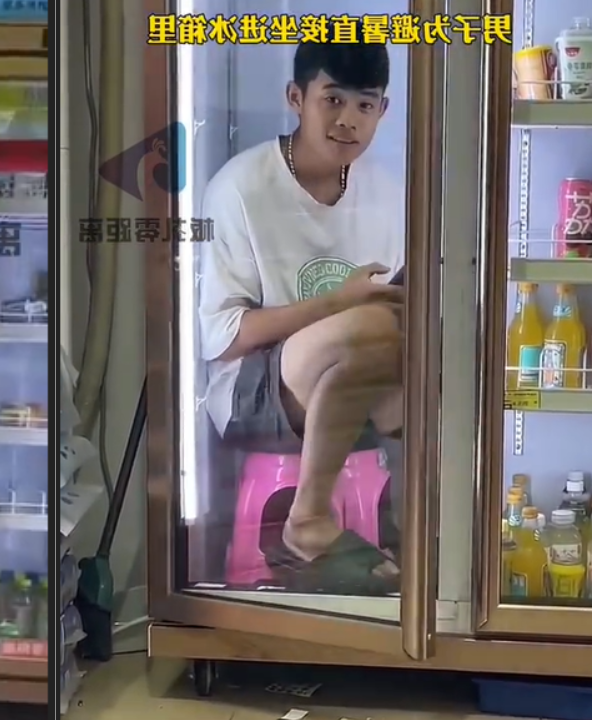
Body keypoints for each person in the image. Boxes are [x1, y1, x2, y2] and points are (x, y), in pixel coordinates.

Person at [198, 41, 406, 594]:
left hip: (357, 372)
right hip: (252, 388)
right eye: (331, 99)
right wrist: (336, 304)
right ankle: (308, 520)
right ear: (297, 97)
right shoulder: (241, 188)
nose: (347, 120)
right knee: (372, 327)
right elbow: (221, 338)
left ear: (383, 111)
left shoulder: (387, 192)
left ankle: (441, 544)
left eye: (365, 105)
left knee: (442, 348)